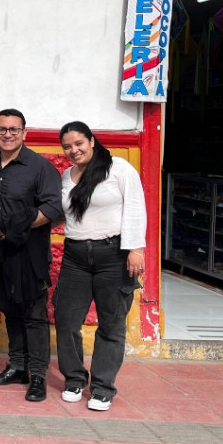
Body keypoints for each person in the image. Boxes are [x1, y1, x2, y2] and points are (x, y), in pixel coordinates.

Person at [54, 121, 146, 412]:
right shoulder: (67, 176)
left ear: (92, 140)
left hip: (113, 255)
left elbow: (135, 206)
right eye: (67, 146)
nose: (73, 150)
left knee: (111, 323)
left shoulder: (118, 168)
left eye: (78, 143)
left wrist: (135, 248)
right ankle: (74, 378)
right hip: (75, 256)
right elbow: (61, 215)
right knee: (66, 319)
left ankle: (103, 387)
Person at [0, 108, 63, 402]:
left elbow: (54, 208)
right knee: (10, 309)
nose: (7, 134)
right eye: (2, 129)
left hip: (29, 251)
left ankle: (38, 375)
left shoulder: (39, 167)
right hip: (0, 251)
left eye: (13, 129)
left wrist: (19, 226)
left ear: (24, 133)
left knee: (34, 314)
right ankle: (17, 366)